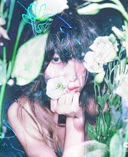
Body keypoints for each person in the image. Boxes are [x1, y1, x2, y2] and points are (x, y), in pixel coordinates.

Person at [7, 10, 98, 157]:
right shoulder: (24, 112)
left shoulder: (101, 101)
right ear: (38, 64)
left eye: (80, 58)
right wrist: (75, 121)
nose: (73, 74)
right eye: (57, 59)